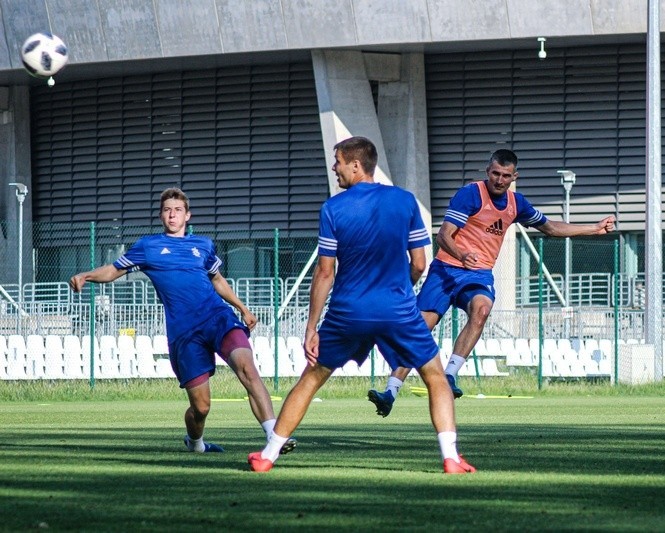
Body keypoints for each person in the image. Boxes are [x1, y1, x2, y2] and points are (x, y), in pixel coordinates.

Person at [248, 136, 475, 474]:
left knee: (312, 378)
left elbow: (325, 272)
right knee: (435, 377)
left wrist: (311, 327)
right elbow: (419, 263)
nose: (334, 167)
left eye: (337, 160)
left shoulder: (333, 208)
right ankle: (451, 459)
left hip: (347, 312)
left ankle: (268, 455)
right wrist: (399, 290)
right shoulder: (405, 201)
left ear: (356, 165)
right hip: (397, 309)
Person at [368, 149, 616, 416]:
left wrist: (594, 228)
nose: (499, 179)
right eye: (495, 173)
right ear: (488, 171)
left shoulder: (516, 204)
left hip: (478, 275)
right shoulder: (470, 195)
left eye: (506, 175)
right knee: (420, 329)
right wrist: (462, 254)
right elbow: (444, 236)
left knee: (482, 309)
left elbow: (550, 228)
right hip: (445, 271)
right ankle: (390, 392)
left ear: (514, 176)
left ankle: (450, 375)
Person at [69, 187, 296, 456]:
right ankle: (196, 443)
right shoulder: (148, 247)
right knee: (201, 408)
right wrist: (86, 275)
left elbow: (217, 279)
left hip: (217, 318)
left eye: (177, 210)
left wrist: (242, 308)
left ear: (187, 215)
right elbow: (113, 270)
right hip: (184, 333)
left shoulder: (203, 245)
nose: (172, 214)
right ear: (161, 215)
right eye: (167, 210)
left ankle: (274, 436)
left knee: (247, 368)